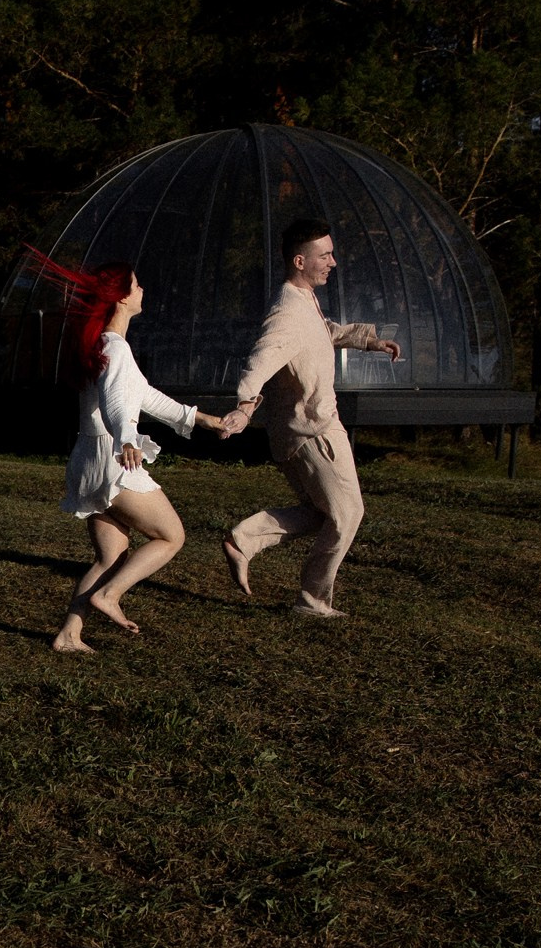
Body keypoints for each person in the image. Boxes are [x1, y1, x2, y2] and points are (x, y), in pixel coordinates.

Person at [47, 259, 239, 652]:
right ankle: (110, 596)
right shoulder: (114, 348)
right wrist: (127, 439)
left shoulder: (103, 344)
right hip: (112, 458)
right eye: (136, 286)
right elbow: (117, 401)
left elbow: (143, 395)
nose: (142, 291)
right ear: (120, 298)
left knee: (110, 556)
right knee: (171, 535)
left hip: (87, 460)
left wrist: (200, 418)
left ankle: (69, 634)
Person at [217, 217, 404, 617]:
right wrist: (245, 405)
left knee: (323, 513)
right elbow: (262, 357)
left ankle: (244, 540)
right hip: (312, 431)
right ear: (300, 261)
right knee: (346, 513)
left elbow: (321, 332)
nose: (333, 262)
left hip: (306, 428)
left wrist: (366, 340)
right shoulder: (287, 311)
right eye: (326, 255)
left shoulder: (303, 302)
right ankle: (312, 600)